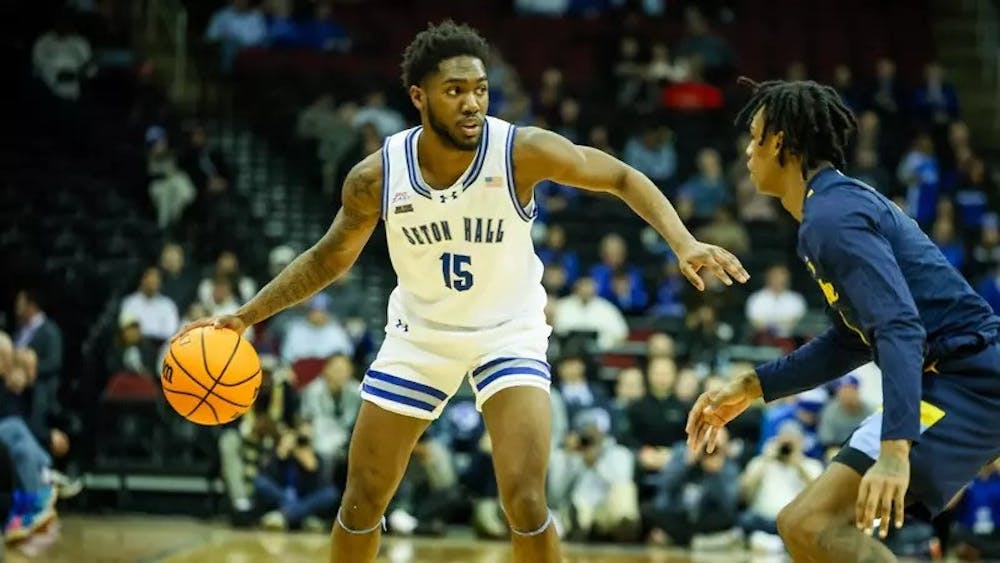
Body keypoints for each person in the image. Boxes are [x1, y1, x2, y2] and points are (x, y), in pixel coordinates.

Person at [176, 21, 747, 563]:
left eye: (480, 89)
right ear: (419, 96)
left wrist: (683, 241)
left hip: (508, 333)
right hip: (420, 337)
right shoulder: (376, 177)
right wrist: (246, 316)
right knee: (362, 499)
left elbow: (620, 175)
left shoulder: (519, 151)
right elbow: (329, 258)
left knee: (525, 501)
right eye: (455, 91)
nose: (473, 102)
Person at [686, 77, 1000, 563]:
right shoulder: (830, 210)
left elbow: (899, 327)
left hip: (970, 383)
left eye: (754, 137)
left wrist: (895, 451)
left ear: (780, 142)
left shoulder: (833, 218)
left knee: (813, 525)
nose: (747, 151)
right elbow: (852, 339)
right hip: (949, 381)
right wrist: (751, 386)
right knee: (801, 525)